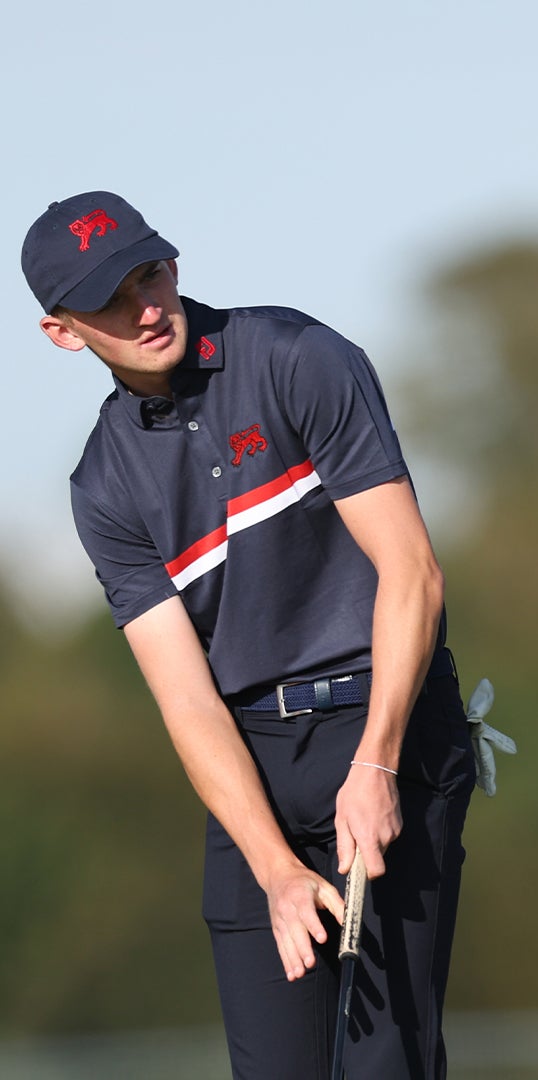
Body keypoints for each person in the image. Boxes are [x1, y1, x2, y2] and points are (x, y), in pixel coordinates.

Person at [23, 191, 473, 1078]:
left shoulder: (297, 358)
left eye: (150, 273)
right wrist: (271, 867)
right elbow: (187, 701)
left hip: (381, 724)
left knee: (387, 1062)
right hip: (250, 766)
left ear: (174, 263)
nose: (147, 307)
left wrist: (377, 762)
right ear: (65, 332)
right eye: (111, 299)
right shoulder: (103, 486)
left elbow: (412, 573)